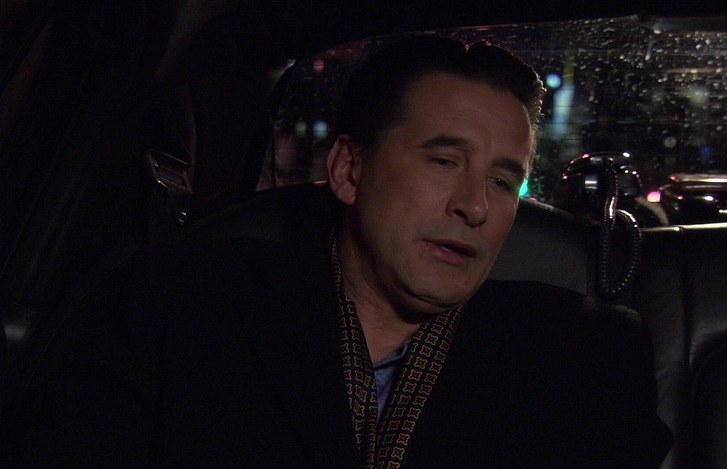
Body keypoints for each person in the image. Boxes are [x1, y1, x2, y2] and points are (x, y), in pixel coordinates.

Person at [3, 36, 670, 467]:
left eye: (503, 180)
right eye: (443, 161)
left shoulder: (584, 354)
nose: (476, 205)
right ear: (349, 170)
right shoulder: (180, 307)